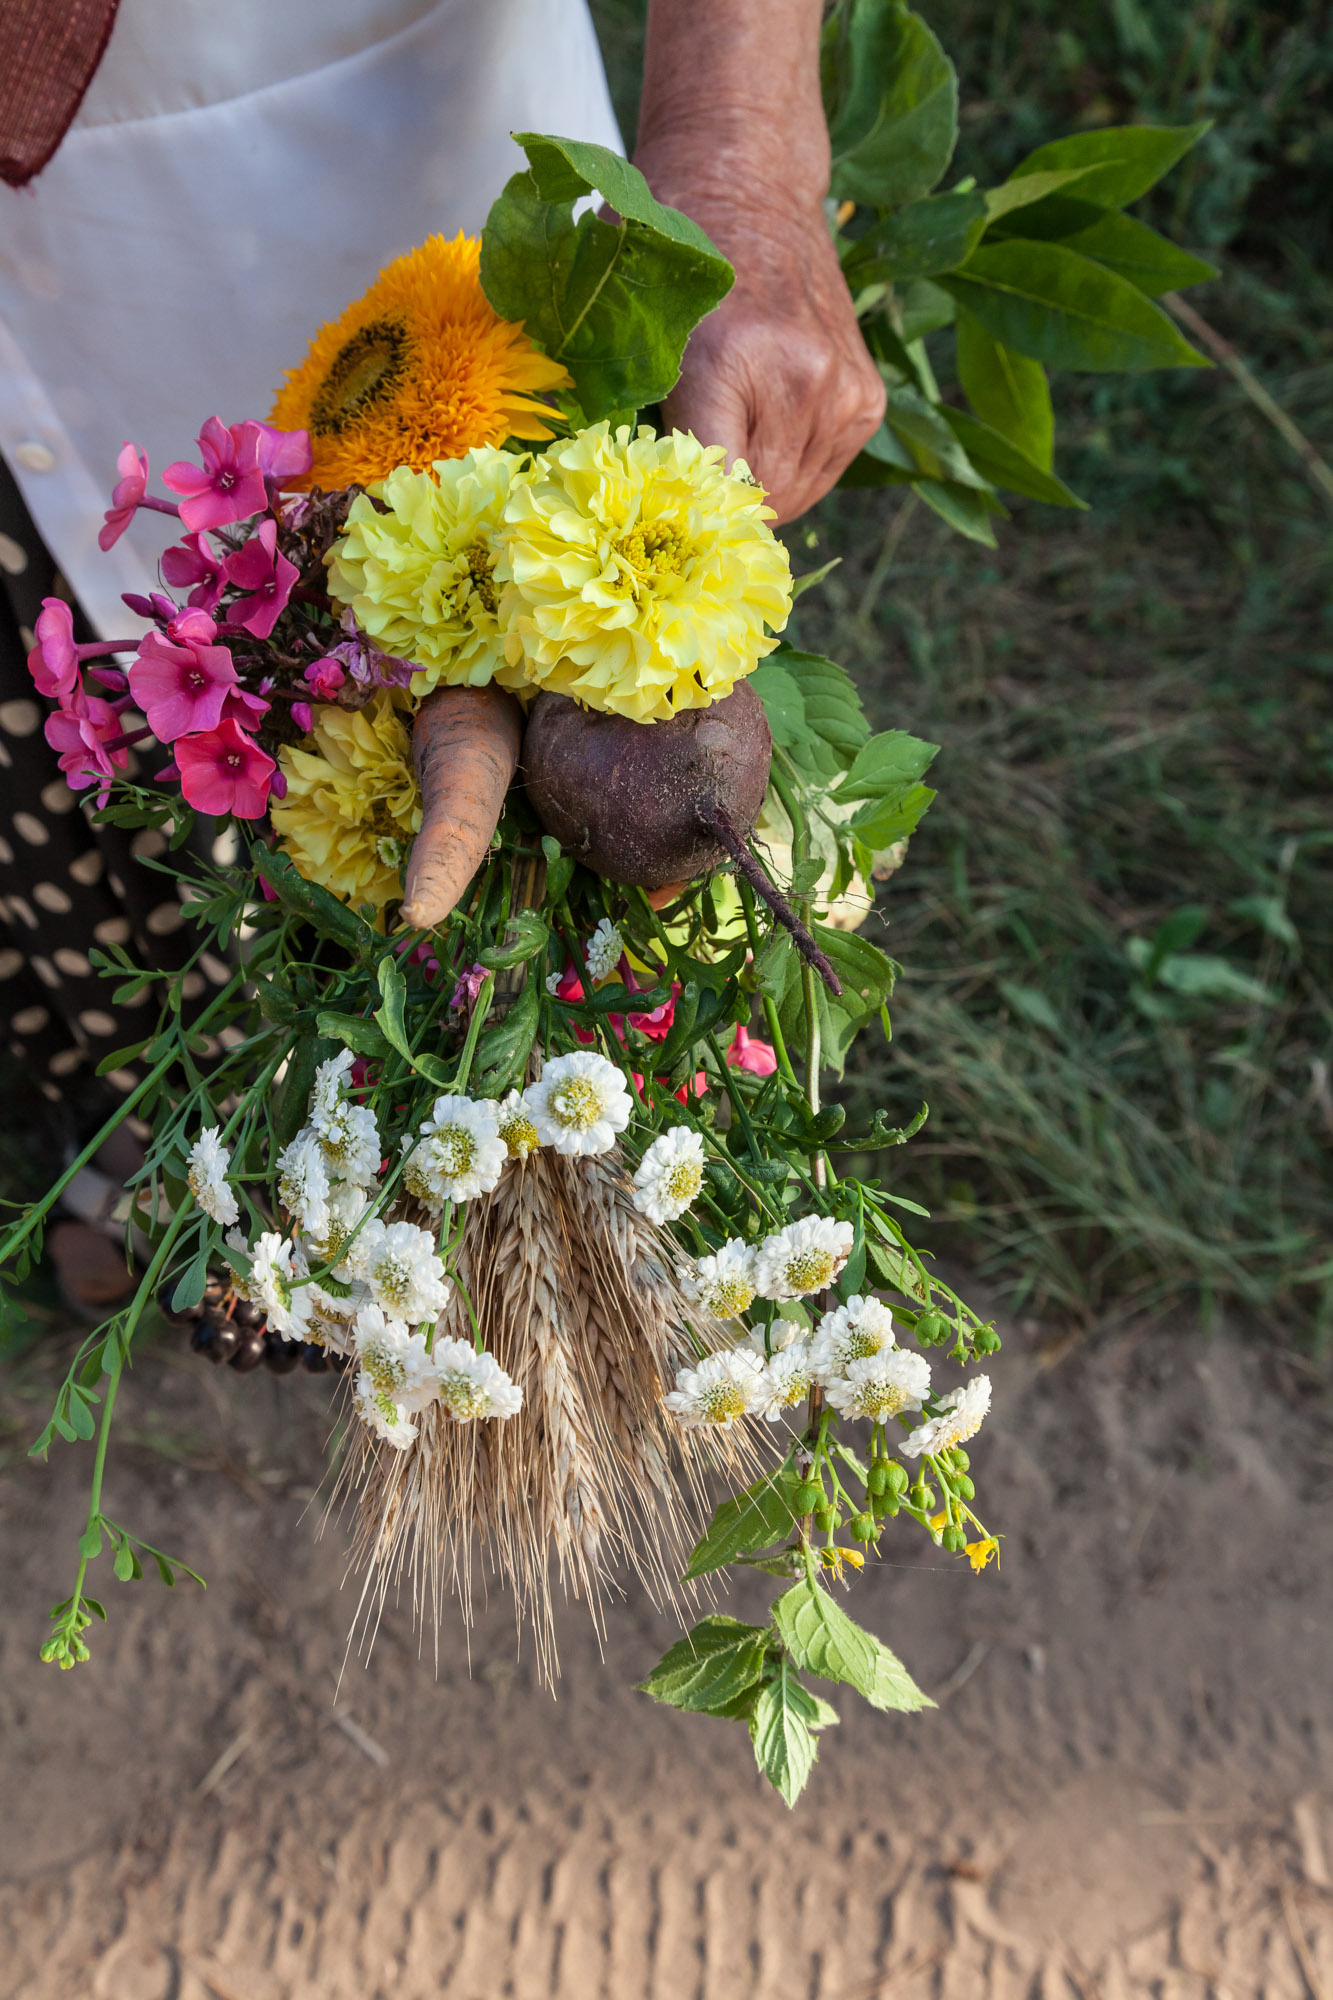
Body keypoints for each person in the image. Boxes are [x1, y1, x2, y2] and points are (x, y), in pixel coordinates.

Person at [0, 0, 884, 1303]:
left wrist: (742, 162)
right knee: (88, 806)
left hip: (357, 129)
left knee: (544, 872)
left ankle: (448, 1250)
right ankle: (210, 1181)